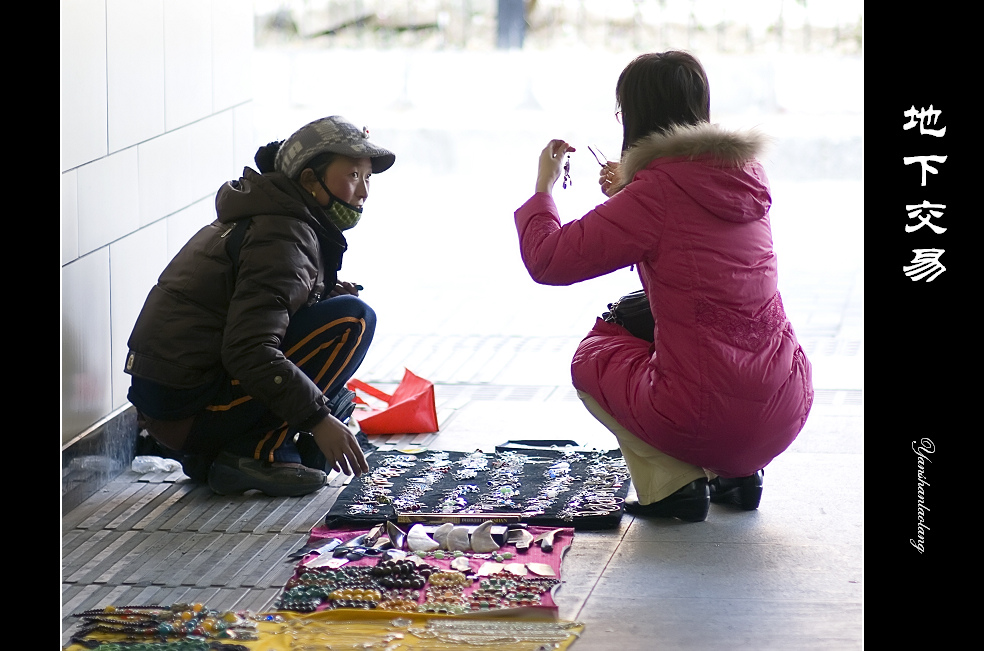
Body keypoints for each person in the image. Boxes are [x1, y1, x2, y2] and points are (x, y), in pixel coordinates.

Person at [513, 52, 813, 522]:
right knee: (687, 320)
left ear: (634, 115)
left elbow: (549, 260)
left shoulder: (654, 195)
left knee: (596, 353)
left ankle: (672, 486)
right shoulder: (745, 175)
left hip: (708, 416)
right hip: (786, 402)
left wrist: (543, 188)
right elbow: (694, 249)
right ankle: (737, 476)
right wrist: (630, 191)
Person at [125, 116, 395, 497]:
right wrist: (318, 419)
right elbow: (248, 349)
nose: (363, 192)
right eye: (353, 175)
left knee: (335, 396)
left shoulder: (278, 218)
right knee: (353, 320)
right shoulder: (282, 234)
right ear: (308, 181)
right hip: (187, 410)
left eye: (368, 178)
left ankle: (221, 457)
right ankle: (256, 454)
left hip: (174, 406)